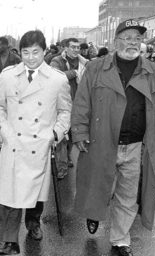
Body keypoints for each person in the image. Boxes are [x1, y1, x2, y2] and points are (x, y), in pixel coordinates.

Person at [71, 19, 155, 256]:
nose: (133, 42)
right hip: (101, 142)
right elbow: (82, 102)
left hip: (137, 146)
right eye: (127, 38)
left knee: (127, 195)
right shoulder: (96, 68)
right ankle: (94, 212)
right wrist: (80, 133)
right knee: (99, 185)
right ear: (116, 42)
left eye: (137, 38)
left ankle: (121, 239)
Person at [0, 30, 71, 255]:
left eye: (36, 52)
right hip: (13, 141)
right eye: (25, 52)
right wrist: (5, 131)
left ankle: (34, 223)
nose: (31, 57)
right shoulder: (7, 76)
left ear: (44, 52)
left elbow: (65, 112)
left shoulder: (57, 79)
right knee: (11, 194)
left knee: (35, 192)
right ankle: (9, 240)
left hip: (39, 143)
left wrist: (54, 135)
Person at [50, 37, 88, 167]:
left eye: (78, 47)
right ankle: (61, 165)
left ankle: (67, 156)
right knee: (62, 133)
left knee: (73, 133)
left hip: (79, 103)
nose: (76, 50)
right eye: (73, 47)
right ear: (65, 48)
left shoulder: (85, 63)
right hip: (62, 103)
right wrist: (73, 73)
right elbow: (53, 77)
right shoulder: (57, 60)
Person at [0, 37, 22, 157]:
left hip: (13, 94)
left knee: (12, 120)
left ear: (5, 46)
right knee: (0, 119)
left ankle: (13, 143)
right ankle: (0, 145)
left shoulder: (16, 59)